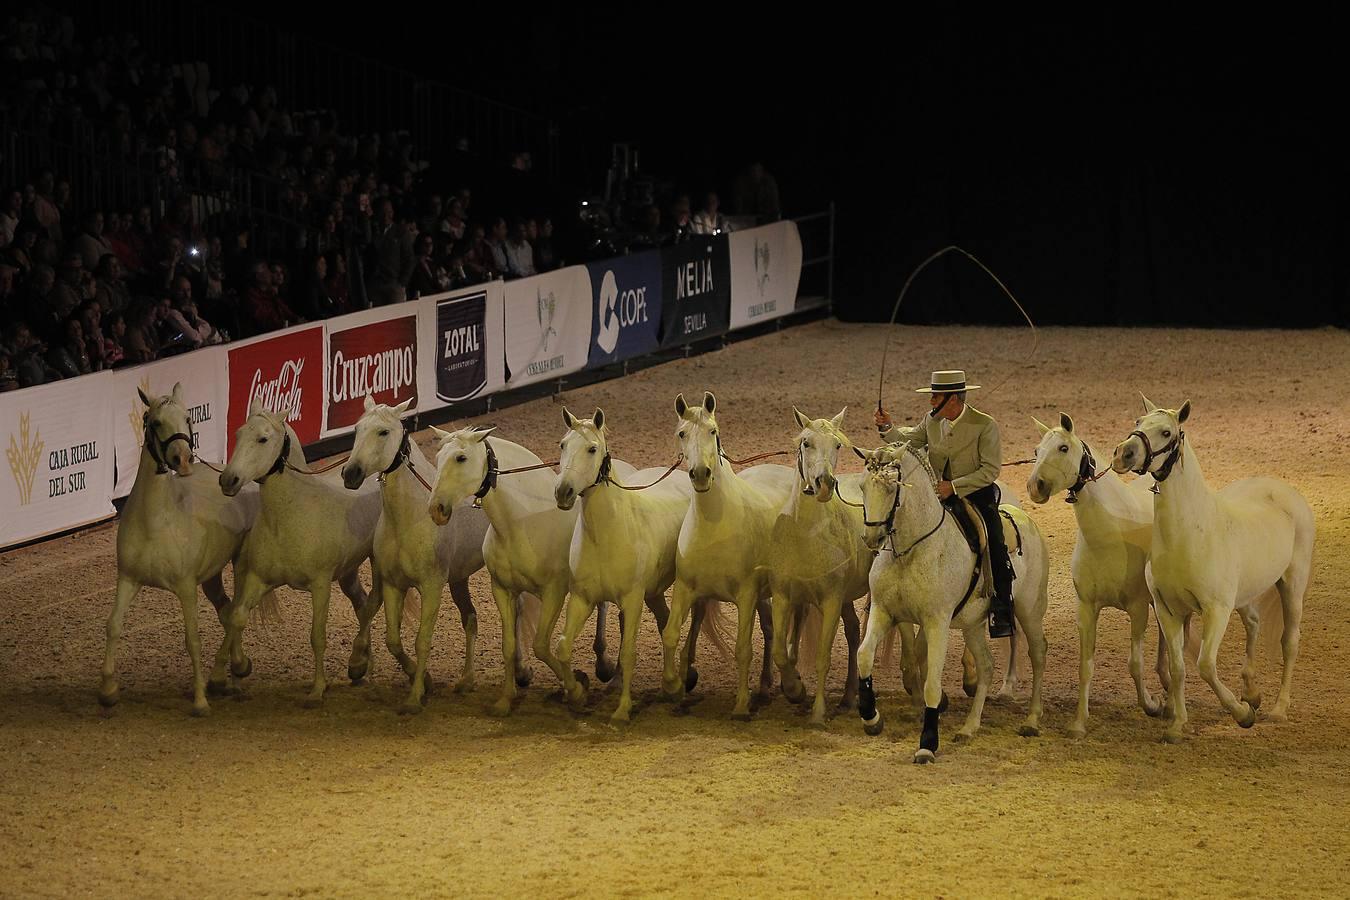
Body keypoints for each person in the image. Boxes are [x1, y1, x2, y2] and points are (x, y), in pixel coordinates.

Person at [874, 370, 1015, 638]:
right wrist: (887, 428)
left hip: (975, 494)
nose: (930, 402)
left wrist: (954, 486)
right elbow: (909, 442)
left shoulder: (985, 425)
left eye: (935, 397)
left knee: (995, 541)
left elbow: (990, 470)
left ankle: (1002, 606)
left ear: (953, 399)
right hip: (937, 494)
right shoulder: (932, 420)